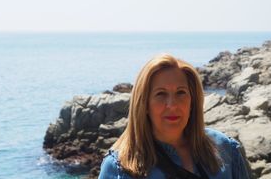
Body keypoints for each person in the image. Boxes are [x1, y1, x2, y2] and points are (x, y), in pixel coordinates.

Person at [98, 54, 250, 179]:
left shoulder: (226, 149)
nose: (172, 105)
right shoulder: (119, 168)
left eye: (181, 93)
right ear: (144, 104)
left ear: (192, 101)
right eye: (161, 94)